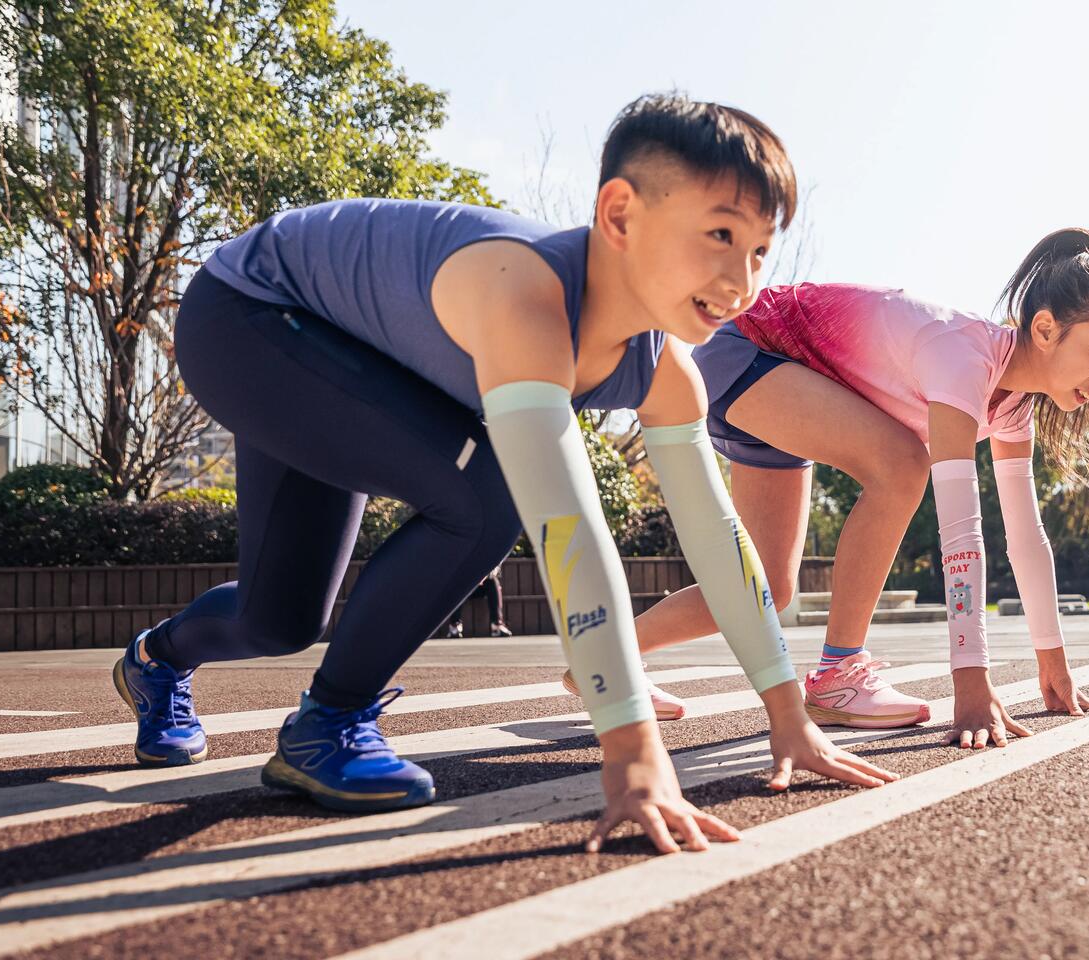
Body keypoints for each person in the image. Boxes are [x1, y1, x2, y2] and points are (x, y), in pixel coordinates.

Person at [112, 93, 894, 854]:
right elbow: (569, 524)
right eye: (719, 233)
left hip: (352, 352)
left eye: (759, 250)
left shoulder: (667, 374)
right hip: (247, 314)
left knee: (279, 619)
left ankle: (157, 660)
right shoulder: (525, 300)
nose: (741, 278)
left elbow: (717, 538)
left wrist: (790, 715)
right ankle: (328, 723)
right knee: (485, 495)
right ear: (620, 215)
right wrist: (630, 749)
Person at [630, 228, 1089, 748]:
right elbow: (961, 530)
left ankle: (608, 658)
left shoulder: (1014, 407)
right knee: (902, 465)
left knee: (766, 586)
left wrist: (1053, 665)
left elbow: (1026, 537)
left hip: (787, 378)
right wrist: (971, 681)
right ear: (1045, 328)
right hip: (745, 348)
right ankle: (839, 672)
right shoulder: (965, 358)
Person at [443, 568, 511, 638]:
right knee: (456, 585)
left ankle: (497, 626)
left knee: (493, 582)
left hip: (481, 585)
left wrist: (486, 575)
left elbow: (496, 568)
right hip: (463, 586)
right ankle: (454, 626)